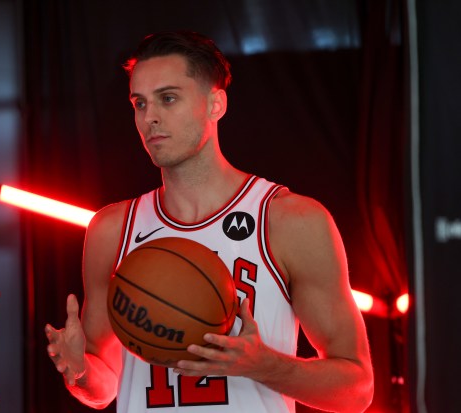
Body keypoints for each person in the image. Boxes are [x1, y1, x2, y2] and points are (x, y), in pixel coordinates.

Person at [46, 30, 374, 412]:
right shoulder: (110, 230)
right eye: (139, 103)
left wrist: (266, 366)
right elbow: (105, 386)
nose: (149, 117)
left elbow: (357, 388)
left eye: (168, 99)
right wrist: (81, 370)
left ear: (215, 103)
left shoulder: (290, 220)